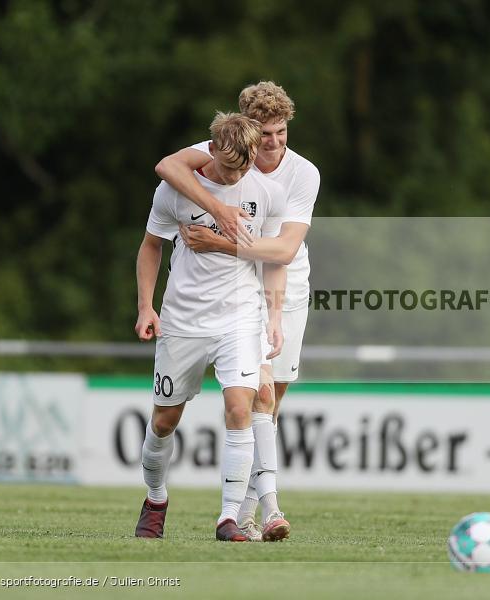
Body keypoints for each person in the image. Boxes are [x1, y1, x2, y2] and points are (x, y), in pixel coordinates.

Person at [155, 81, 319, 541]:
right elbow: (168, 167)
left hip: (284, 281)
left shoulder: (303, 174)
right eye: (264, 133)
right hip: (236, 288)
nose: (273, 142)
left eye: (281, 132)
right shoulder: (224, 151)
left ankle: (245, 509)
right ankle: (265, 511)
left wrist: (218, 240)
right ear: (245, 129)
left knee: (272, 398)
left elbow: (283, 250)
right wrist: (218, 212)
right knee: (256, 398)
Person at [133, 112, 292, 542]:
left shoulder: (267, 193)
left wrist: (273, 317)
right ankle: (156, 497)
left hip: (239, 316)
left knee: (242, 407)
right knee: (165, 420)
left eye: (243, 166)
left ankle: (228, 519)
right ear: (211, 150)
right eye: (226, 166)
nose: (235, 174)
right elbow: (151, 246)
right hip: (183, 318)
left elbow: (275, 258)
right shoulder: (176, 189)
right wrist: (146, 306)